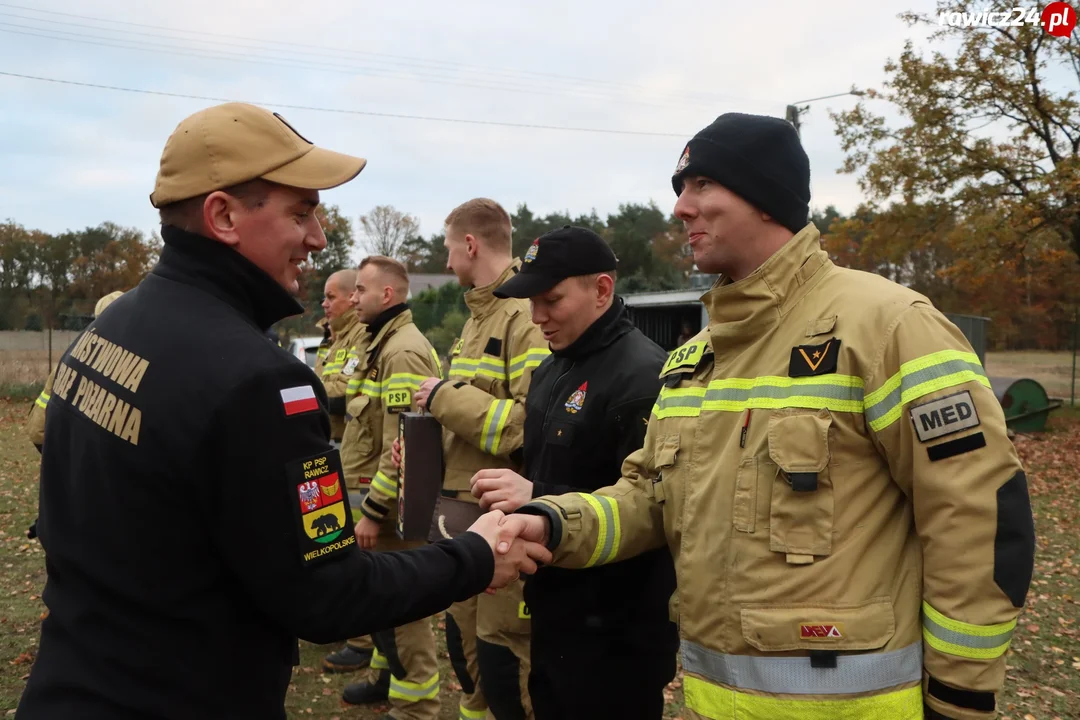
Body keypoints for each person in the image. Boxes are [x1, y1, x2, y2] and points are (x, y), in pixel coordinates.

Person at [15, 102, 548, 720]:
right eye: (301, 212)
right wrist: (477, 555)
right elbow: (328, 595)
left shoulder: (111, 330)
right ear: (222, 215)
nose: (319, 238)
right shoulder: (259, 381)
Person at [496, 113, 1036, 720]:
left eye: (701, 185)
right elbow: (650, 496)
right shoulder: (694, 359)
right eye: (680, 190)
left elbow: (976, 513)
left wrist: (960, 697)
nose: (681, 208)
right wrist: (554, 522)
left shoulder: (887, 324)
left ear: (765, 196)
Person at [470, 225, 678, 720]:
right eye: (530, 303)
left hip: (617, 631)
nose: (537, 317)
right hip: (555, 608)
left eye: (552, 300)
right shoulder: (552, 369)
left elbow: (652, 505)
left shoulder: (643, 377)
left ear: (602, 290)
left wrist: (536, 493)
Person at [412, 198, 550, 720]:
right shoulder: (476, 318)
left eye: (449, 248)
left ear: (469, 244)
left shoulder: (524, 317)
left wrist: (442, 396)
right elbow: (469, 420)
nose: (447, 263)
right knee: (466, 658)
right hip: (461, 515)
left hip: (501, 519)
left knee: (504, 667)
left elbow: (524, 425)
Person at [339, 255, 446, 719]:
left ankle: (416, 709)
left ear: (387, 294)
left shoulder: (401, 351)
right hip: (370, 503)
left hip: (387, 512)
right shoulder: (379, 344)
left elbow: (401, 446)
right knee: (383, 609)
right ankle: (387, 682)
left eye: (360, 290)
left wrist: (374, 511)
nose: (353, 298)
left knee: (405, 619)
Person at [24, 290, 125, 540]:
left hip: (45, 430)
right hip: (50, 432)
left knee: (68, 483)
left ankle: (48, 525)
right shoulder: (103, 356)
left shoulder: (84, 348)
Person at [315, 268, 377, 674]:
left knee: (355, 543)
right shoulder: (333, 338)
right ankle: (342, 622)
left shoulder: (359, 337)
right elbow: (325, 384)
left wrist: (316, 385)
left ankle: (362, 639)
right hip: (331, 448)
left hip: (354, 454)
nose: (327, 303)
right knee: (328, 537)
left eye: (331, 297)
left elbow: (339, 393)